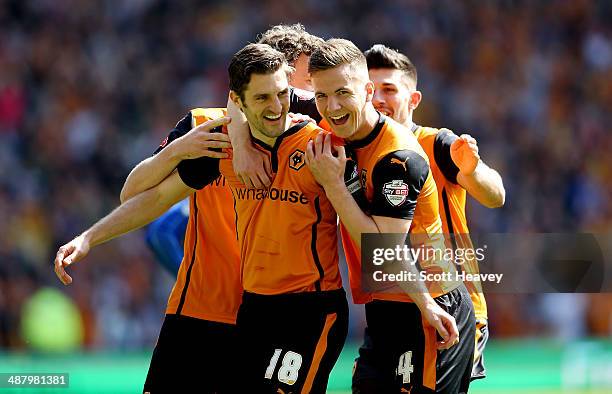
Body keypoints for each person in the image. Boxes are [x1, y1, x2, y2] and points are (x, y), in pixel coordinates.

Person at [54, 43, 348, 393]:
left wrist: (413, 293)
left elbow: (379, 219)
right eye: (305, 82)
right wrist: (89, 237)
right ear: (241, 96)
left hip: (278, 312)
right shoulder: (210, 134)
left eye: (293, 92)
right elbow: (150, 202)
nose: (300, 97)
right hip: (199, 310)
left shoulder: (323, 141)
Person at [306, 38, 474, 393]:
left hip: (428, 304)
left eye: (342, 94)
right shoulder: (334, 121)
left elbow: (381, 249)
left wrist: (333, 184)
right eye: (321, 96)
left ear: (367, 91)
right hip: (385, 308)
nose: (331, 107)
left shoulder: (399, 157)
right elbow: (254, 96)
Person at [364, 44, 505, 382]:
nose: (378, 99)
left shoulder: (435, 144)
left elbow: (496, 194)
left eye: (389, 89)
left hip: (450, 302)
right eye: (371, 90)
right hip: (391, 306)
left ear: (413, 100)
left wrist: (471, 172)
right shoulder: (359, 150)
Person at [140, 24, 323, 276]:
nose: (317, 91)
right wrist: (200, 285)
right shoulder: (218, 143)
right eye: (311, 80)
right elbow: (161, 229)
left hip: (351, 291)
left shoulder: (325, 138)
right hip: (262, 300)